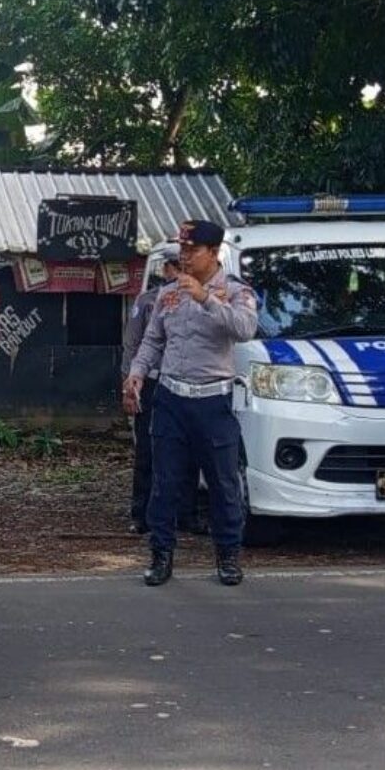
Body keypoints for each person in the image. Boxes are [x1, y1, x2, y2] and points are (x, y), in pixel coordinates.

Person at [124, 219, 258, 587]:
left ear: (214, 253)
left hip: (212, 400)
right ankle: (161, 554)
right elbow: (153, 340)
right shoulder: (168, 293)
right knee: (164, 482)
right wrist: (137, 372)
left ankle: (228, 555)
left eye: (192, 250)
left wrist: (205, 298)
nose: (184, 256)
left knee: (223, 483)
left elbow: (245, 329)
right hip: (170, 397)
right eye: (181, 249)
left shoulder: (235, 291)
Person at [121, 248, 205, 536]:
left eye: (182, 267)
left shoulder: (200, 298)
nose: (177, 272)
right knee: (148, 450)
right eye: (174, 267)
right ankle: (141, 514)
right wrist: (130, 382)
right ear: (165, 269)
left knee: (190, 450)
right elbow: (133, 343)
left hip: (187, 381)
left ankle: (187, 514)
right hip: (152, 380)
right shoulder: (148, 301)